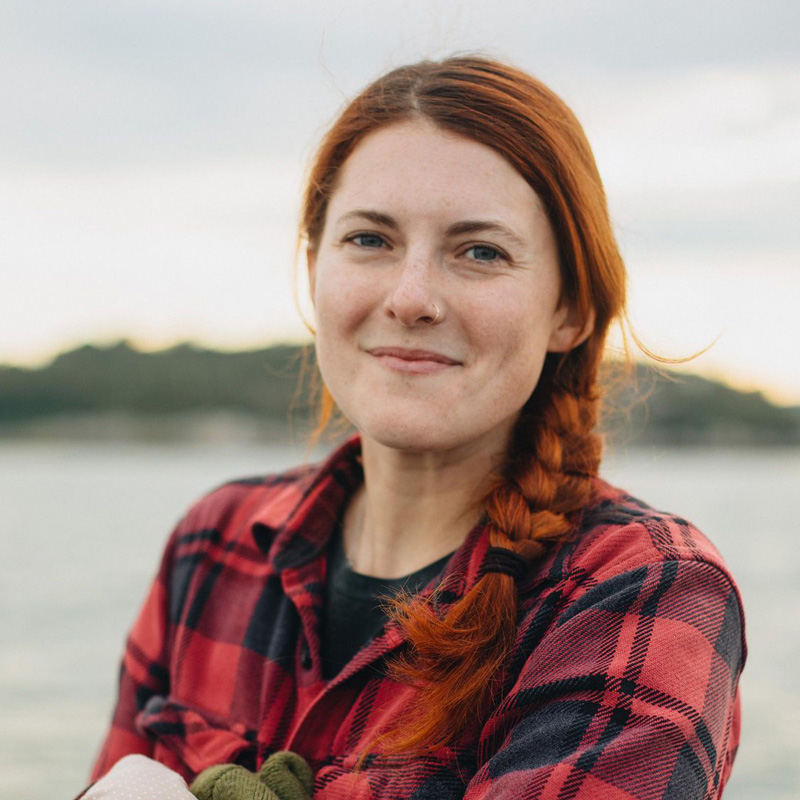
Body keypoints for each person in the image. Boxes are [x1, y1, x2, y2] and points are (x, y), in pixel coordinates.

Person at [84, 55, 745, 799]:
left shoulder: (644, 589)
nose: (411, 297)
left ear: (570, 309)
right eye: (370, 239)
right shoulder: (212, 545)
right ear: (314, 267)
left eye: (481, 252)